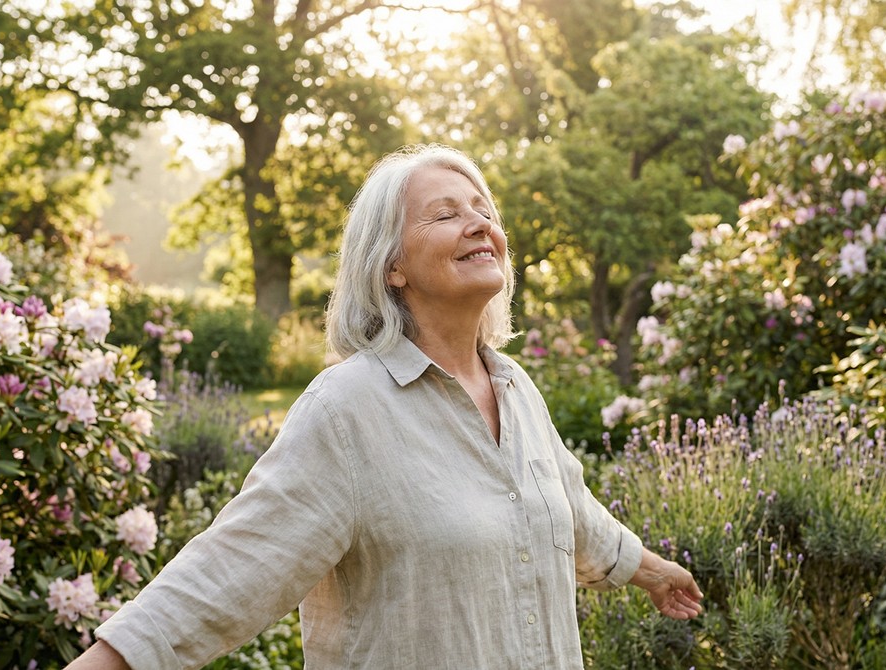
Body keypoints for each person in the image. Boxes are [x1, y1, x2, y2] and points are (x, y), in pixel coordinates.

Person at [68, 144, 702, 670]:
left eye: (483, 209)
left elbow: (571, 510)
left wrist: (652, 571)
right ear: (392, 266)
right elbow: (235, 566)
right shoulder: (347, 410)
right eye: (446, 214)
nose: (479, 223)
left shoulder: (516, 389)